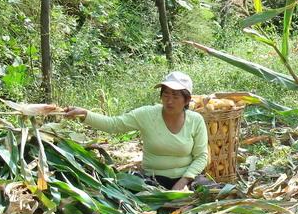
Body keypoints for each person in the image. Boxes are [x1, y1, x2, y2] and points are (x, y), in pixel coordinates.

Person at [64, 72, 208, 190]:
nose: (169, 101)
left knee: (214, 193)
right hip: (152, 180)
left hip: (187, 179)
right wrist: (85, 114)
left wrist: (182, 183)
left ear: (187, 100)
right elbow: (113, 125)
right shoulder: (146, 114)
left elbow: (201, 156)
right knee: (121, 192)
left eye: (176, 96)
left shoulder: (195, 120)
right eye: (166, 95)